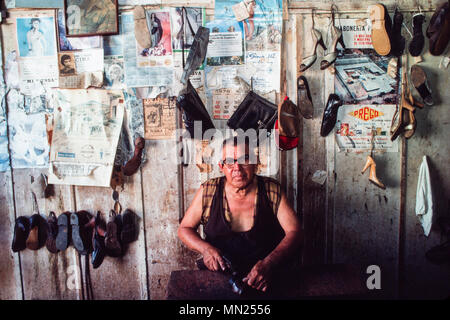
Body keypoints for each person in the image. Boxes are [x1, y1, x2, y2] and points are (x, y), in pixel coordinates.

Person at [178, 136, 302, 292]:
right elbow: (184, 229)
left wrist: (270, 263)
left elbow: (295, 231)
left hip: (265, 277)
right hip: (220, 277)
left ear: (255, 163)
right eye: (229, 162)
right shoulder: (209, 190)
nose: (237, 168)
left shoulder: (271, 190)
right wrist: (206, 250)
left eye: (244, 160)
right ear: (221, 166)